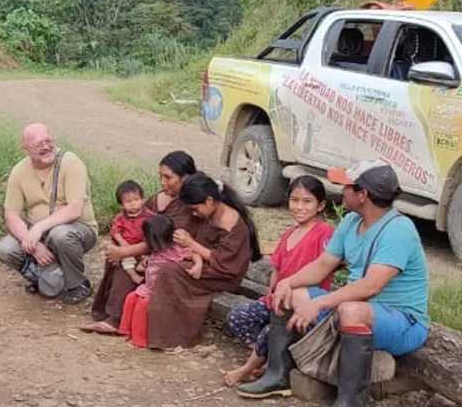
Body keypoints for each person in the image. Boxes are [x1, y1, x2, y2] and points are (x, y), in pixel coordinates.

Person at [237, 160, 429, 407]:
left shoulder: (398, 231)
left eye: (347, 186)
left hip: (403, 321)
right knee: (290, 293)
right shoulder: (351, 222)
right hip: (357, 308)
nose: (341, 189)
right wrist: (289, 281)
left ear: (363, 195)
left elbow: (371, 287)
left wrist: (319, 304)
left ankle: (349, 401)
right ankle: (278, 374)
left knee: (351, 310)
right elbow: (323, 264)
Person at [221, 176, 334, 386]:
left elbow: (327, 266)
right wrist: (271, 296)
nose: (299, 207)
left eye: (307, 201)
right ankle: (269, 356)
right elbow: (277, 270)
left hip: (303, 305)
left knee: (271, 331)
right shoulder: (288, 234)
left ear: (321, 205)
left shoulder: (324, 233)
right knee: (237, 316)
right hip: (277, 300)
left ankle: (247, 368)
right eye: (294, 200)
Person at [82, 151, 200, 334]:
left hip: (168, 254)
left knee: (127, 263)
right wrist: (121, 247)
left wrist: (125, 252)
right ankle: (110, 311)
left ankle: (117, 318)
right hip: (145, 249)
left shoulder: (186, 206)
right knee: (119, 260)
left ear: (185, 177)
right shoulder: (156, 199)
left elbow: (164, 239)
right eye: (160, 176)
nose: (162, 182)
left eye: (168, 177)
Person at [147, 172, 261, 349]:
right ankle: (160, 333)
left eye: (195, 209)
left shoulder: (233, 224)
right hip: (201, 263)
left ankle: (173, 337)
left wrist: (191, 244)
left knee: (170, 272)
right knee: (162, 265)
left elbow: (225, 263)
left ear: (209, 201)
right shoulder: (207, 213)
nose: (194, 213)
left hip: (222, 275)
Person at [0, 123, 98, 304]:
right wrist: (33, 245)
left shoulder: (71, 162)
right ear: (26, 149)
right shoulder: (19, 171)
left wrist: (39, 228)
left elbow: (75, 209)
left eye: (48, 141)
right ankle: (42, 275)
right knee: (6, 249)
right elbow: (11, 215)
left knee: (60, 236)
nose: (45, 147)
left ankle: (78, 284)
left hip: (77, 229)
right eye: (38, 145)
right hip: (39, 234)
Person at [118, 215, 204, 348]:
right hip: (149, 286)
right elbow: (153, 260)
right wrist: (146, 262)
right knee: (131, 297)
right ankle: (126, 330)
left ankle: (139, 339)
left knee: (142, 305)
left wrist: (197, 265)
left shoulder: (175, 250)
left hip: (160, 291)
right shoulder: (157, 250)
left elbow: (193, 254)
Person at [110, 180, 155, 285]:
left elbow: (155, 225)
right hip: (127, 245)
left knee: (151, 256)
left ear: (143, 200)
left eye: (136, 199)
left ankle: (142, 267)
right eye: (128, 202)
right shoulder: (120, 218)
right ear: (121, 205)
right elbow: (115, 231)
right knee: (127, 261)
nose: (133, 204)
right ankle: (133, 276)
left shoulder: (149, 215)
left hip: (144, 245)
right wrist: (122, 242)